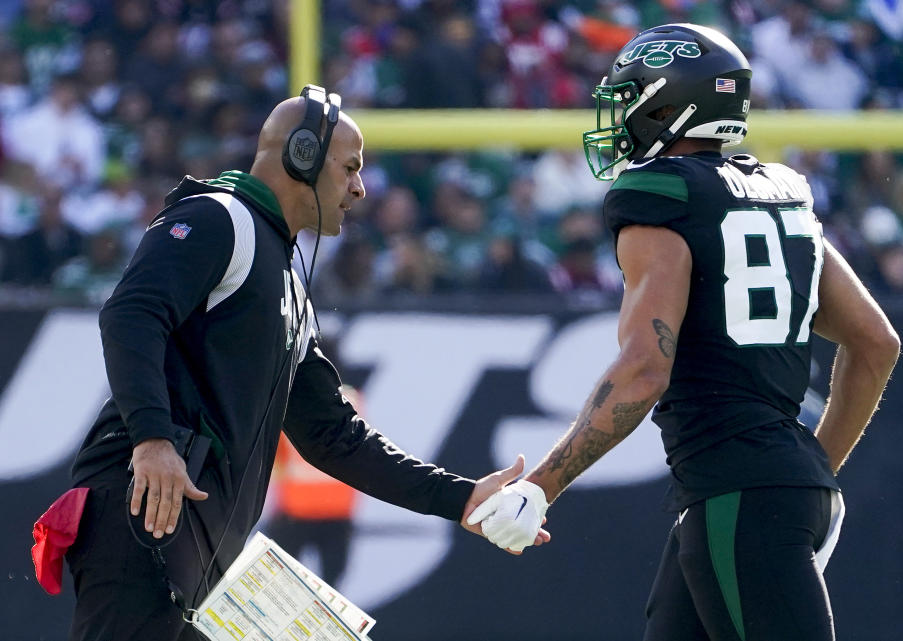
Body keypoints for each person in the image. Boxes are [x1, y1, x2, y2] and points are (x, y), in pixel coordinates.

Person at [52, 86, 545, 641]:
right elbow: (131, 312)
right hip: (148, 509)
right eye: (350, 168)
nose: (360, 188)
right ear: (302, 156)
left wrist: (460, 497)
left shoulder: (287, 280)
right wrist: (152, 440)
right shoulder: (220, 217)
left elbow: (333, 435)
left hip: (196, 539)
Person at [468, 24, 900, 641]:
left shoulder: (661, 192)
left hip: (738, 492)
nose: (620, 117)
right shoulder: (782, 194)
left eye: (631, 99)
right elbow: (875, 342)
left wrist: (541, 487)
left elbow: (646, 368)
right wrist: (810, 468)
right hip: (769, 489)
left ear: (670, 105)